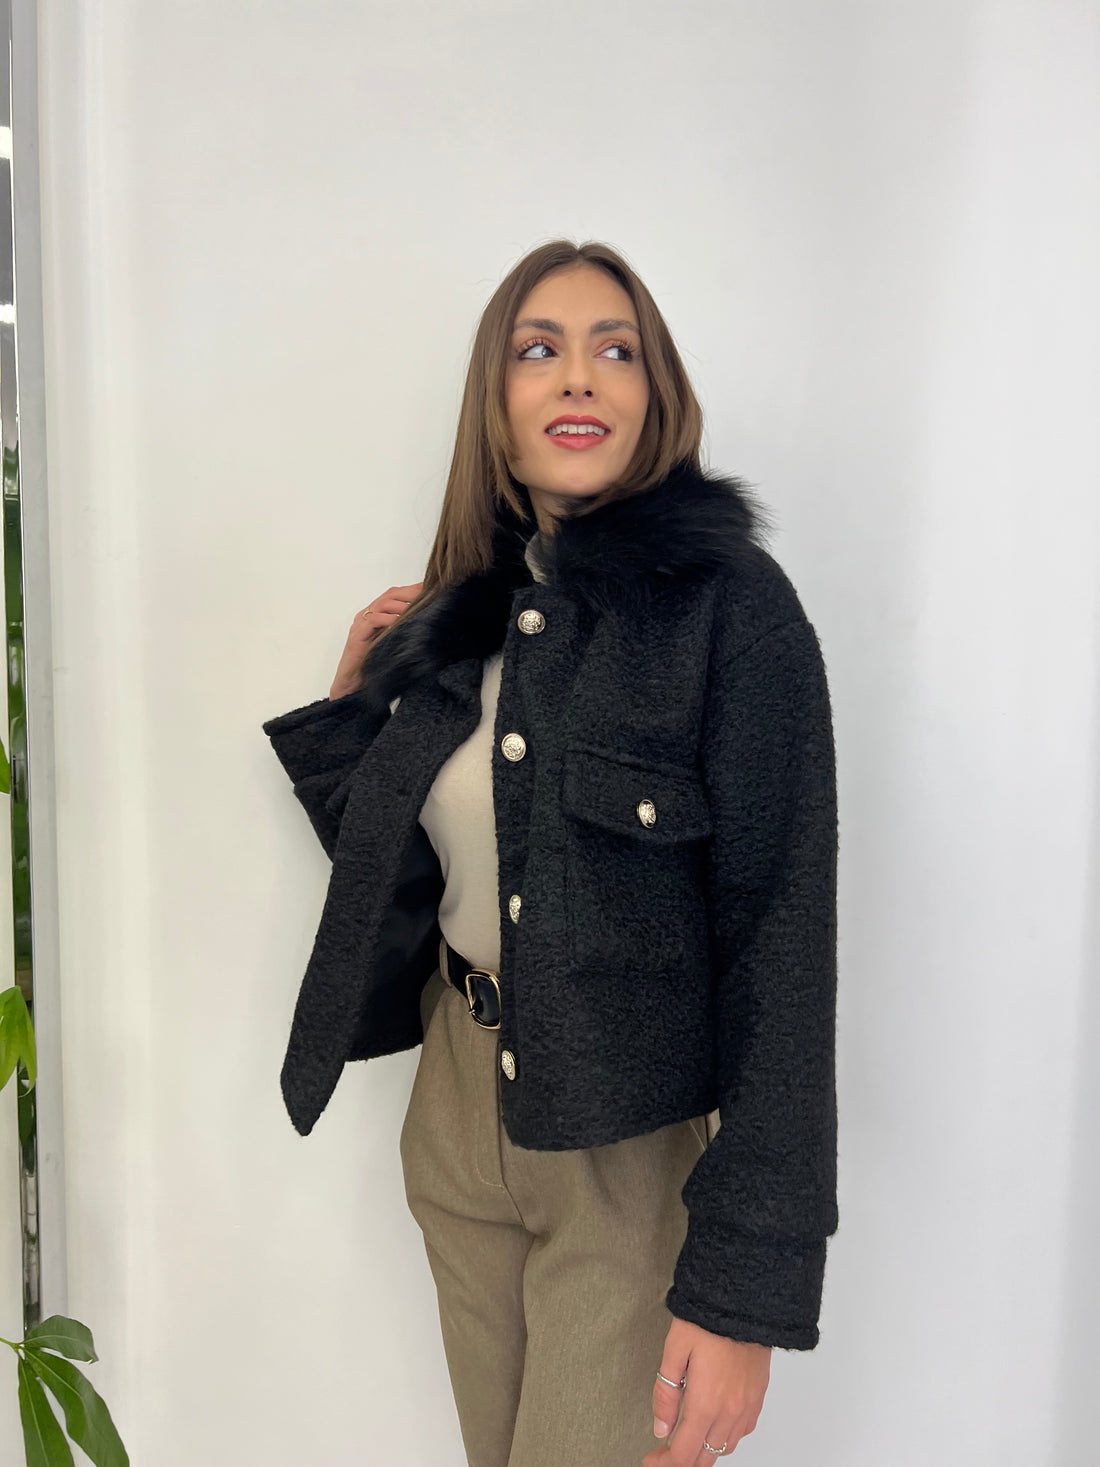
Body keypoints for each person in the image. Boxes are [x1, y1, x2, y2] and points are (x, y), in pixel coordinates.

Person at [261, 239, 839, 1467]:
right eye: (538, 350)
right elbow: (413, 885)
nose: (577, 376)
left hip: (621, 1147)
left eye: (612, 349)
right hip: (454, 1116)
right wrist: (355, 716)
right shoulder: (459, 620)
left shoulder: (730, 608)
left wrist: (743, 1292)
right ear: (499, 404)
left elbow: (781, 942)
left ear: (653, 395)